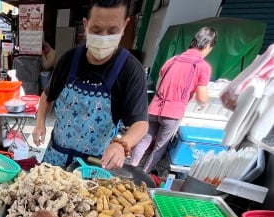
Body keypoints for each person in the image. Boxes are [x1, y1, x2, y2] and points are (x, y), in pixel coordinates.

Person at [31, 0, 148, 170]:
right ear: (86, 25)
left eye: (113, 31)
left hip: (93, 166)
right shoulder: (68, 60)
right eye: (97, 30)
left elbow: (141, 122)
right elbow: (48, 96)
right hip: (55, 158)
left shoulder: (130, 70)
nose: (104, 37)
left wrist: (122, 144)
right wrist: (40, 122)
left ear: (125, 25)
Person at [130, 27, 218, 173]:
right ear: (209, 45)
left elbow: (158, 85)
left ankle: (131, 167)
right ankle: (143, 174)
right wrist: (204, 103)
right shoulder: (203, 67)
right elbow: (201, 97)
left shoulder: (172, 60)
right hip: (173, 113)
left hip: (155, 108)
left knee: (144, 139)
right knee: (160, 146)